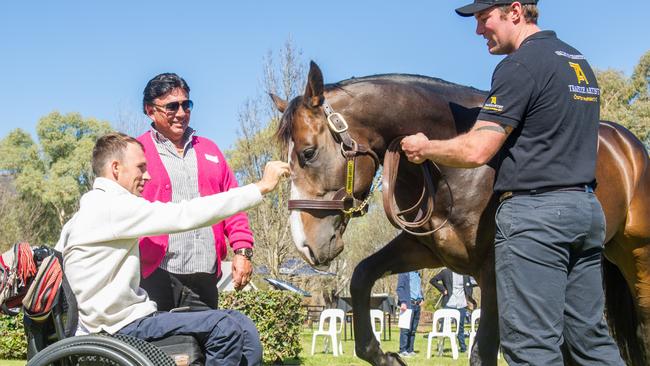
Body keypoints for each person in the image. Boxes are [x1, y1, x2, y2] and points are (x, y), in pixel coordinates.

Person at [400, 1, 624, 364]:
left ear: (515, 11)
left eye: (483, 19)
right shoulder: (577, 63)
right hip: (585, 212)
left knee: (530, 347)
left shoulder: (520, 66)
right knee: (590, 343)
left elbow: (477, 150)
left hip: (536, 221)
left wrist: (426, 148)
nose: (477, 30)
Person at [55, 132, 290, 365]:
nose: (147, 176)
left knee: (241, 325)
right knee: (225, 328)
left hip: (126, 322)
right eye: (140, 167)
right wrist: (261, 187)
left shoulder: (84, 215)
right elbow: (184, 214)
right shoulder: (112, 207)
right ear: (116, 168)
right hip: (118, 329)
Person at [137, 73, 254, 311]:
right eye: (172, 107)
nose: (181, 113)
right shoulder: (136, 151)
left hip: (205, 273)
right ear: (150, 110)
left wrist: (242, 251)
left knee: (203, 344)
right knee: (158, 346)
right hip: (155, 273)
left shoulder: (210, 150)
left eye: (186, 104)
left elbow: (232, 203)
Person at [430, 268, 477, 353]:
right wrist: (443, 289)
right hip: (449, 304)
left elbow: (470, 285)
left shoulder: (465, 273)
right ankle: (440, 348)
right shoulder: (445, 272)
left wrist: (469, 298)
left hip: (461, 305)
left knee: (461, 328)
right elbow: (433, 280)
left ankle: (463, 348)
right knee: (443, 327)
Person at [396, 271, 423, 357]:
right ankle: (402, 350)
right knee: (405, 329)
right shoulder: (404, 272)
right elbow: (399, 288)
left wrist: (422, 298)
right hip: (407, 304)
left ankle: (410, 349)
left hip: (417, 304)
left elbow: (418, 288)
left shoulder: (418, 274)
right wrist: (403, 302)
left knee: (413, 330)